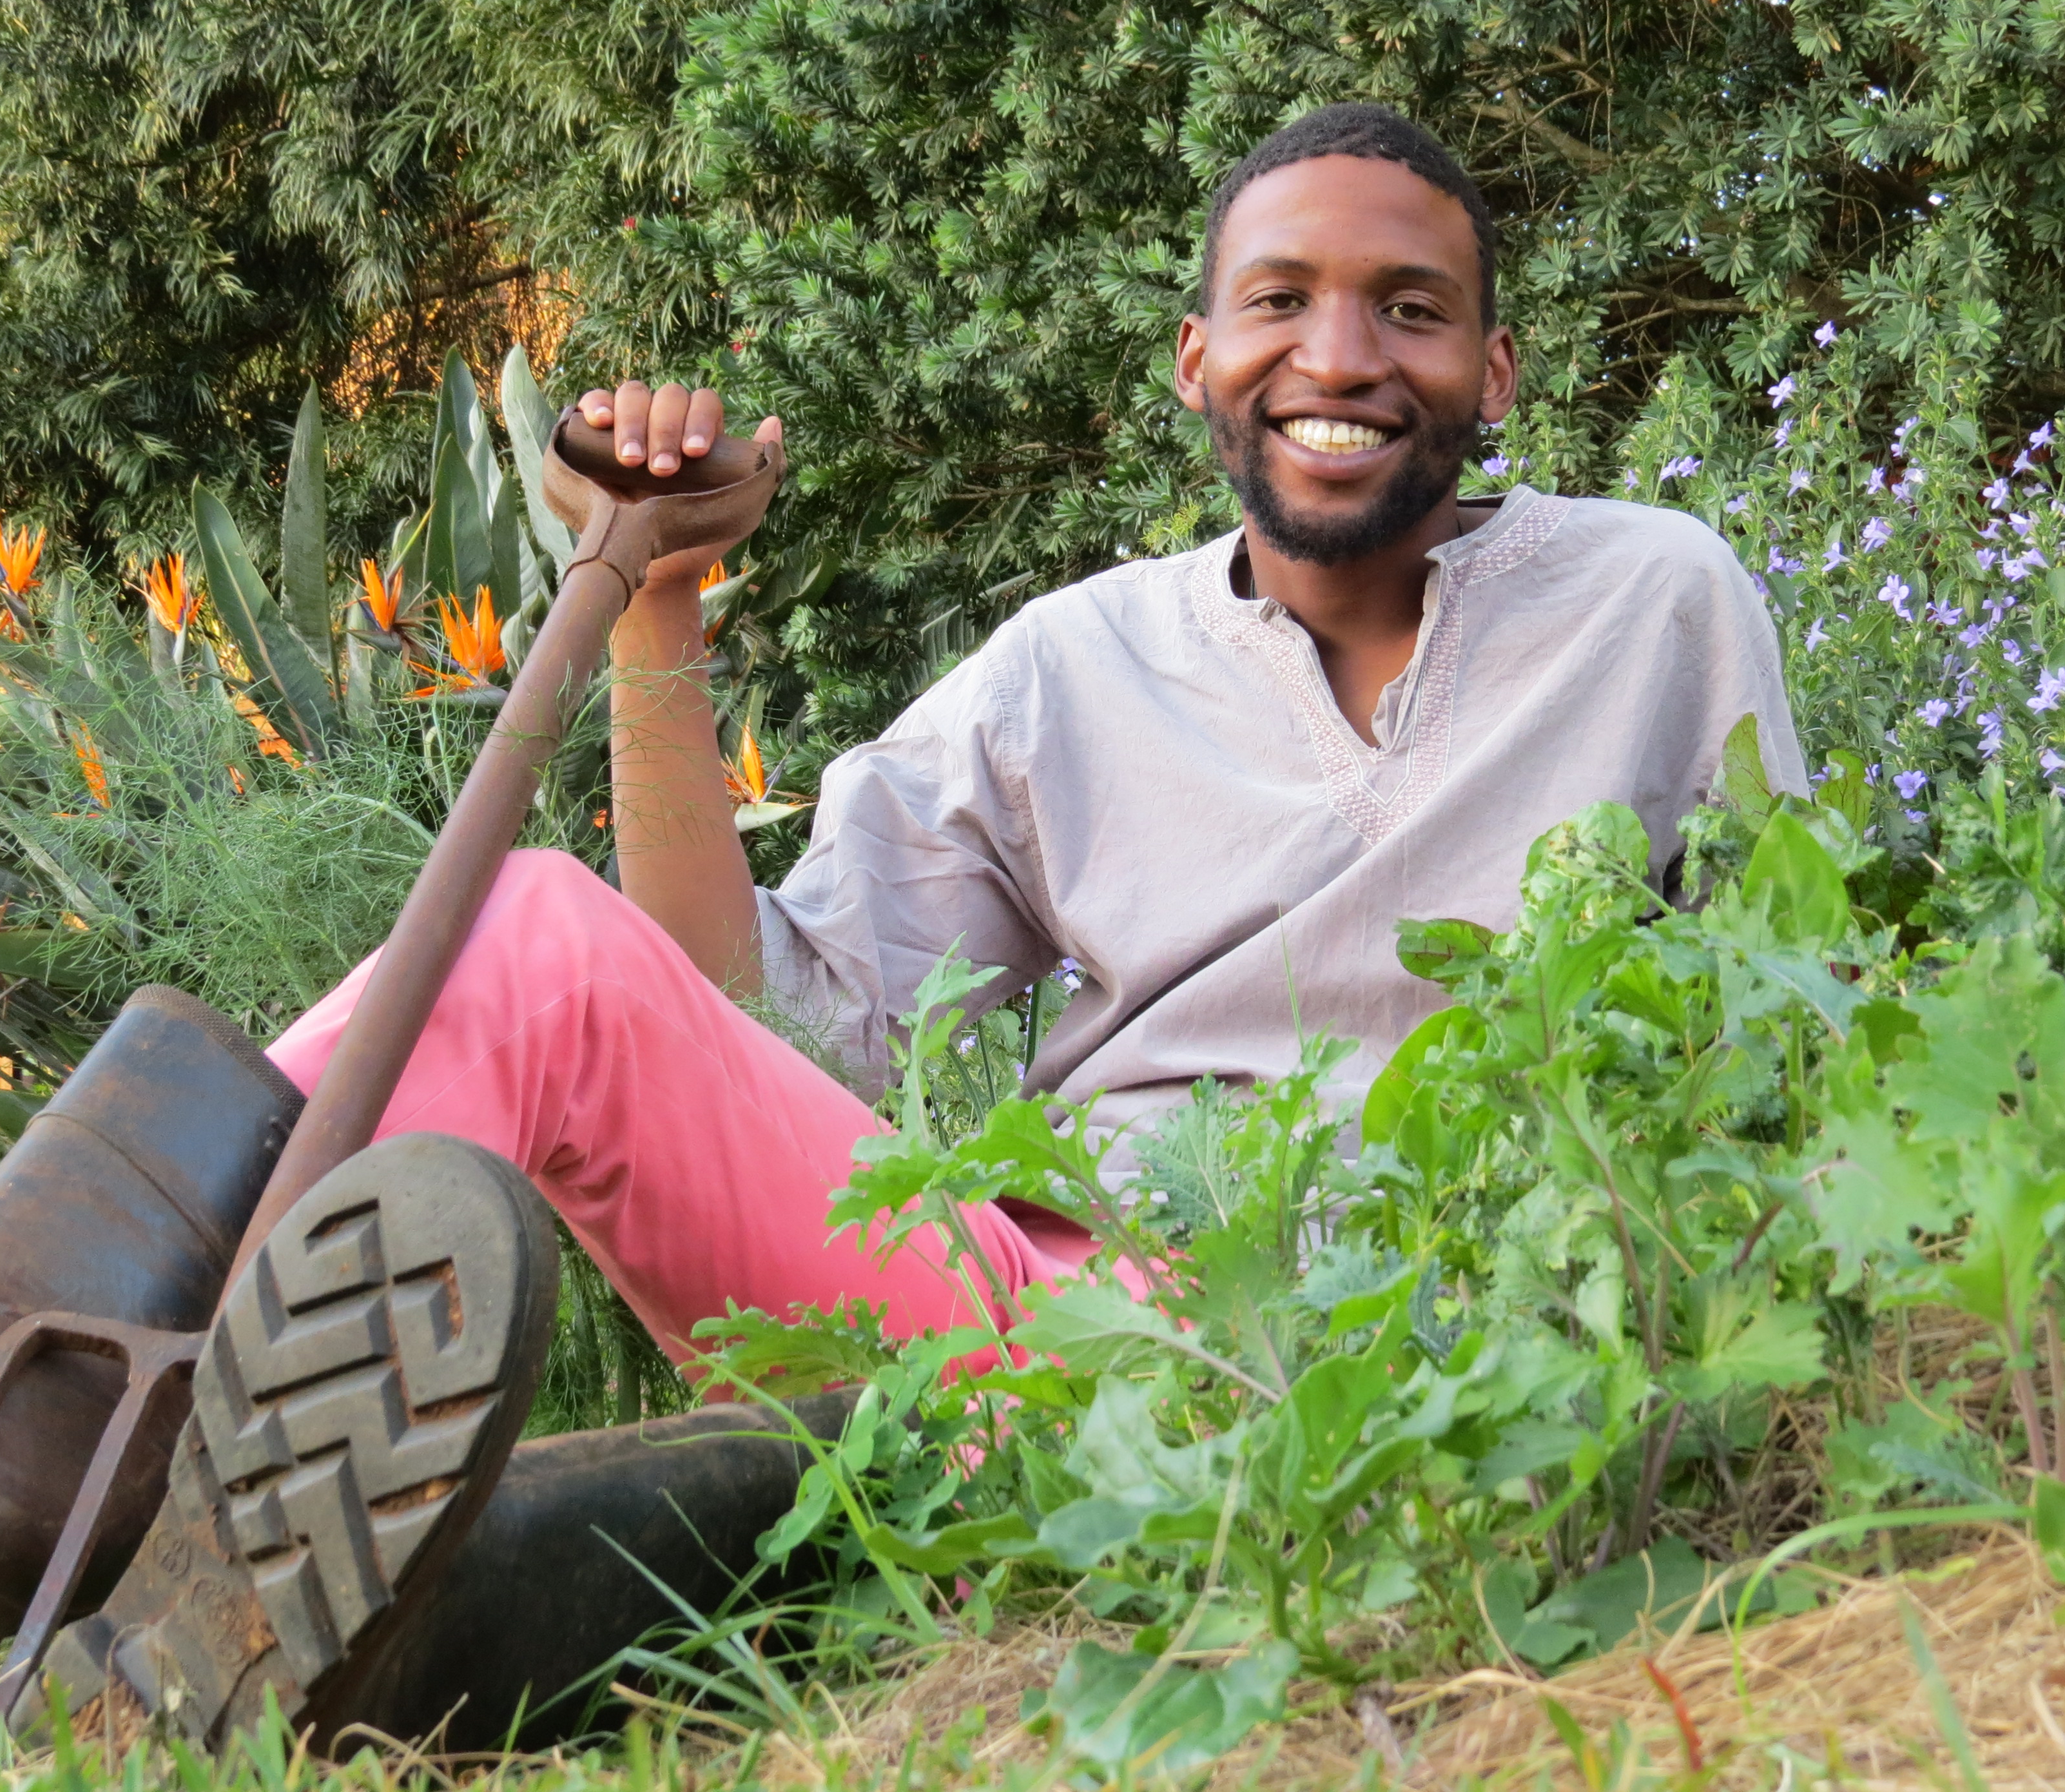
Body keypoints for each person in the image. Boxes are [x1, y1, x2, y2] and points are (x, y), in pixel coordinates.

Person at [244, 101, 1806, 1363]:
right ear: (1195, 362)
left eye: (1411, 310)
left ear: (1493, 371)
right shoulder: (1067, 671)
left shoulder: (1648, 601)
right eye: (1276, 302)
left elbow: (1785, 1009)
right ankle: (143, 1365)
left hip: (1475, 1333)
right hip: (1046, 1346)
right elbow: (763, 1027)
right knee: (534, 942)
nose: (1337, 358)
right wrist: (657, 596)